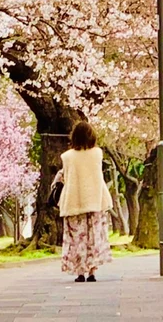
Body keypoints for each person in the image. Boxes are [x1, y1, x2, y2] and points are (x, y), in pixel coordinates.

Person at [53, 121, 113, 282]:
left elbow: (65, 176)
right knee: (93, 237)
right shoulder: (97, 154)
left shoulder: (67, 157)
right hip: (95, 201)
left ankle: (80, 272)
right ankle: (92, 271)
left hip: (73, 201)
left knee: (77, 239)